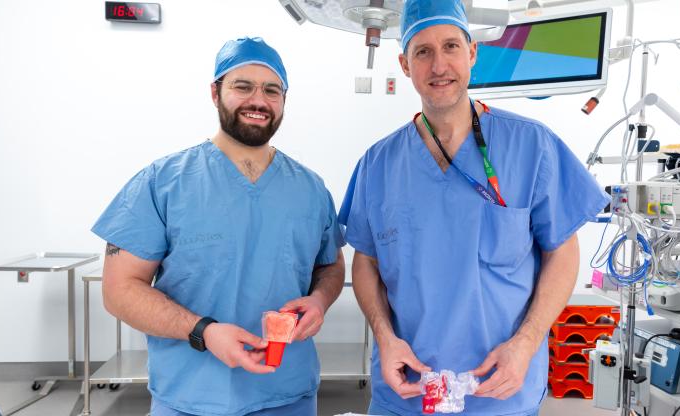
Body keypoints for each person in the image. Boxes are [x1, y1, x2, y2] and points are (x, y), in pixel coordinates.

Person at [339, 1, 610, 415]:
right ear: (405, 65)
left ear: (472, 53)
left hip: (499, 391)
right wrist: (384, 336)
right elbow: (366, 261)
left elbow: (562, 251)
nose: (439, 65)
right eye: (423, 51)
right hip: (407, 392)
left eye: (451, 46)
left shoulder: (531, 146)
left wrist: (526, 343)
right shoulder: (378, 164)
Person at [92, 37, 345, 416]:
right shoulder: (163, 183)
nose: (258, 100)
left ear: (283, 100)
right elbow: (119, 290)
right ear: (215, 93)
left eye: (271, 90)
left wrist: (320, 299)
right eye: (243, 86)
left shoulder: (310, 188)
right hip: (191, 396)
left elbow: (330, 265)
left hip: (288, 393)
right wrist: (203, 331)